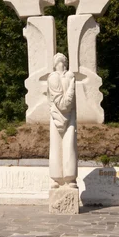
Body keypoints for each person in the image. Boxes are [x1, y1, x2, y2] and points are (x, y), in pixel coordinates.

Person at [48, 53, 78, 189]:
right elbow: (63, 103)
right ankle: (58, 179)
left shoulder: (69, 76)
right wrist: (71, 87)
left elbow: (63, 102)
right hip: (59, 115)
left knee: (67, 146)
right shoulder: (55, 77)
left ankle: (69, 179)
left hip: (65, 115)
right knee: (58, 146)